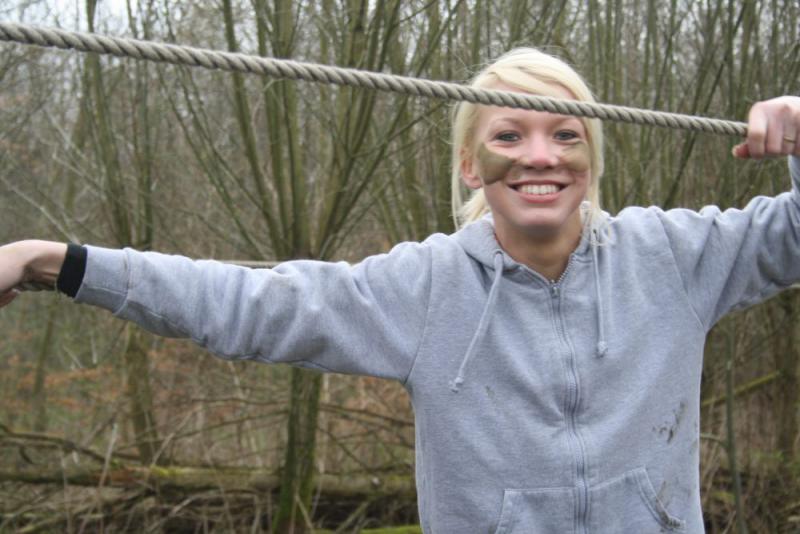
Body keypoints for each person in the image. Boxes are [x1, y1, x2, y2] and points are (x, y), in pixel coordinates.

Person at [1, 48, 799, 533]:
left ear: (591, 157)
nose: (540, 156)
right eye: (509, 135)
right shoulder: (424, 289)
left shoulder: (673, 258)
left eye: (566, 135)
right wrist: (53, 260)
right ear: (468, 165)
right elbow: (248, 306)